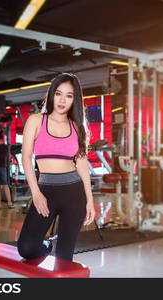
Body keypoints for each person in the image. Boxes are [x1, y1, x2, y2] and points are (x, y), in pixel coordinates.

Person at [17, 73, 96, 261]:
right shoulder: (36, 120)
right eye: (59, 93)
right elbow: (26, 158)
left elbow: (82, 164)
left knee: (64, 256)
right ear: (51, 94)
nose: (62, 100)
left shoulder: (77, 126)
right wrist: (35, 193)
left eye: (69, 96)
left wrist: (90, 200)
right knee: (27, 248)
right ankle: (48, 244)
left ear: (74, 100)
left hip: (74, 193)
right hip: (45, 191)